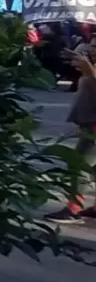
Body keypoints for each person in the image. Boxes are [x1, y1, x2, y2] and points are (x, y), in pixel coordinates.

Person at [47, 51, 96, 221]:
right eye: (92, 46)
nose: (92, 50)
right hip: (89, 124)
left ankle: (73, 208)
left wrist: (90, 72)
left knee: (79, 165)